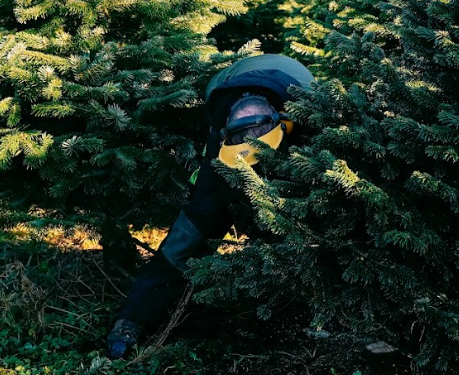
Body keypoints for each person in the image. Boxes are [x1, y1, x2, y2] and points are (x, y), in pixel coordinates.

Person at [106, 54, 314, 359]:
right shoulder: (220, 121)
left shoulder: (307, 112)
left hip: (293, 93)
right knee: (192, 229)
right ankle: (133, 318)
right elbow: (200, 214)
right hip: (229, 96)